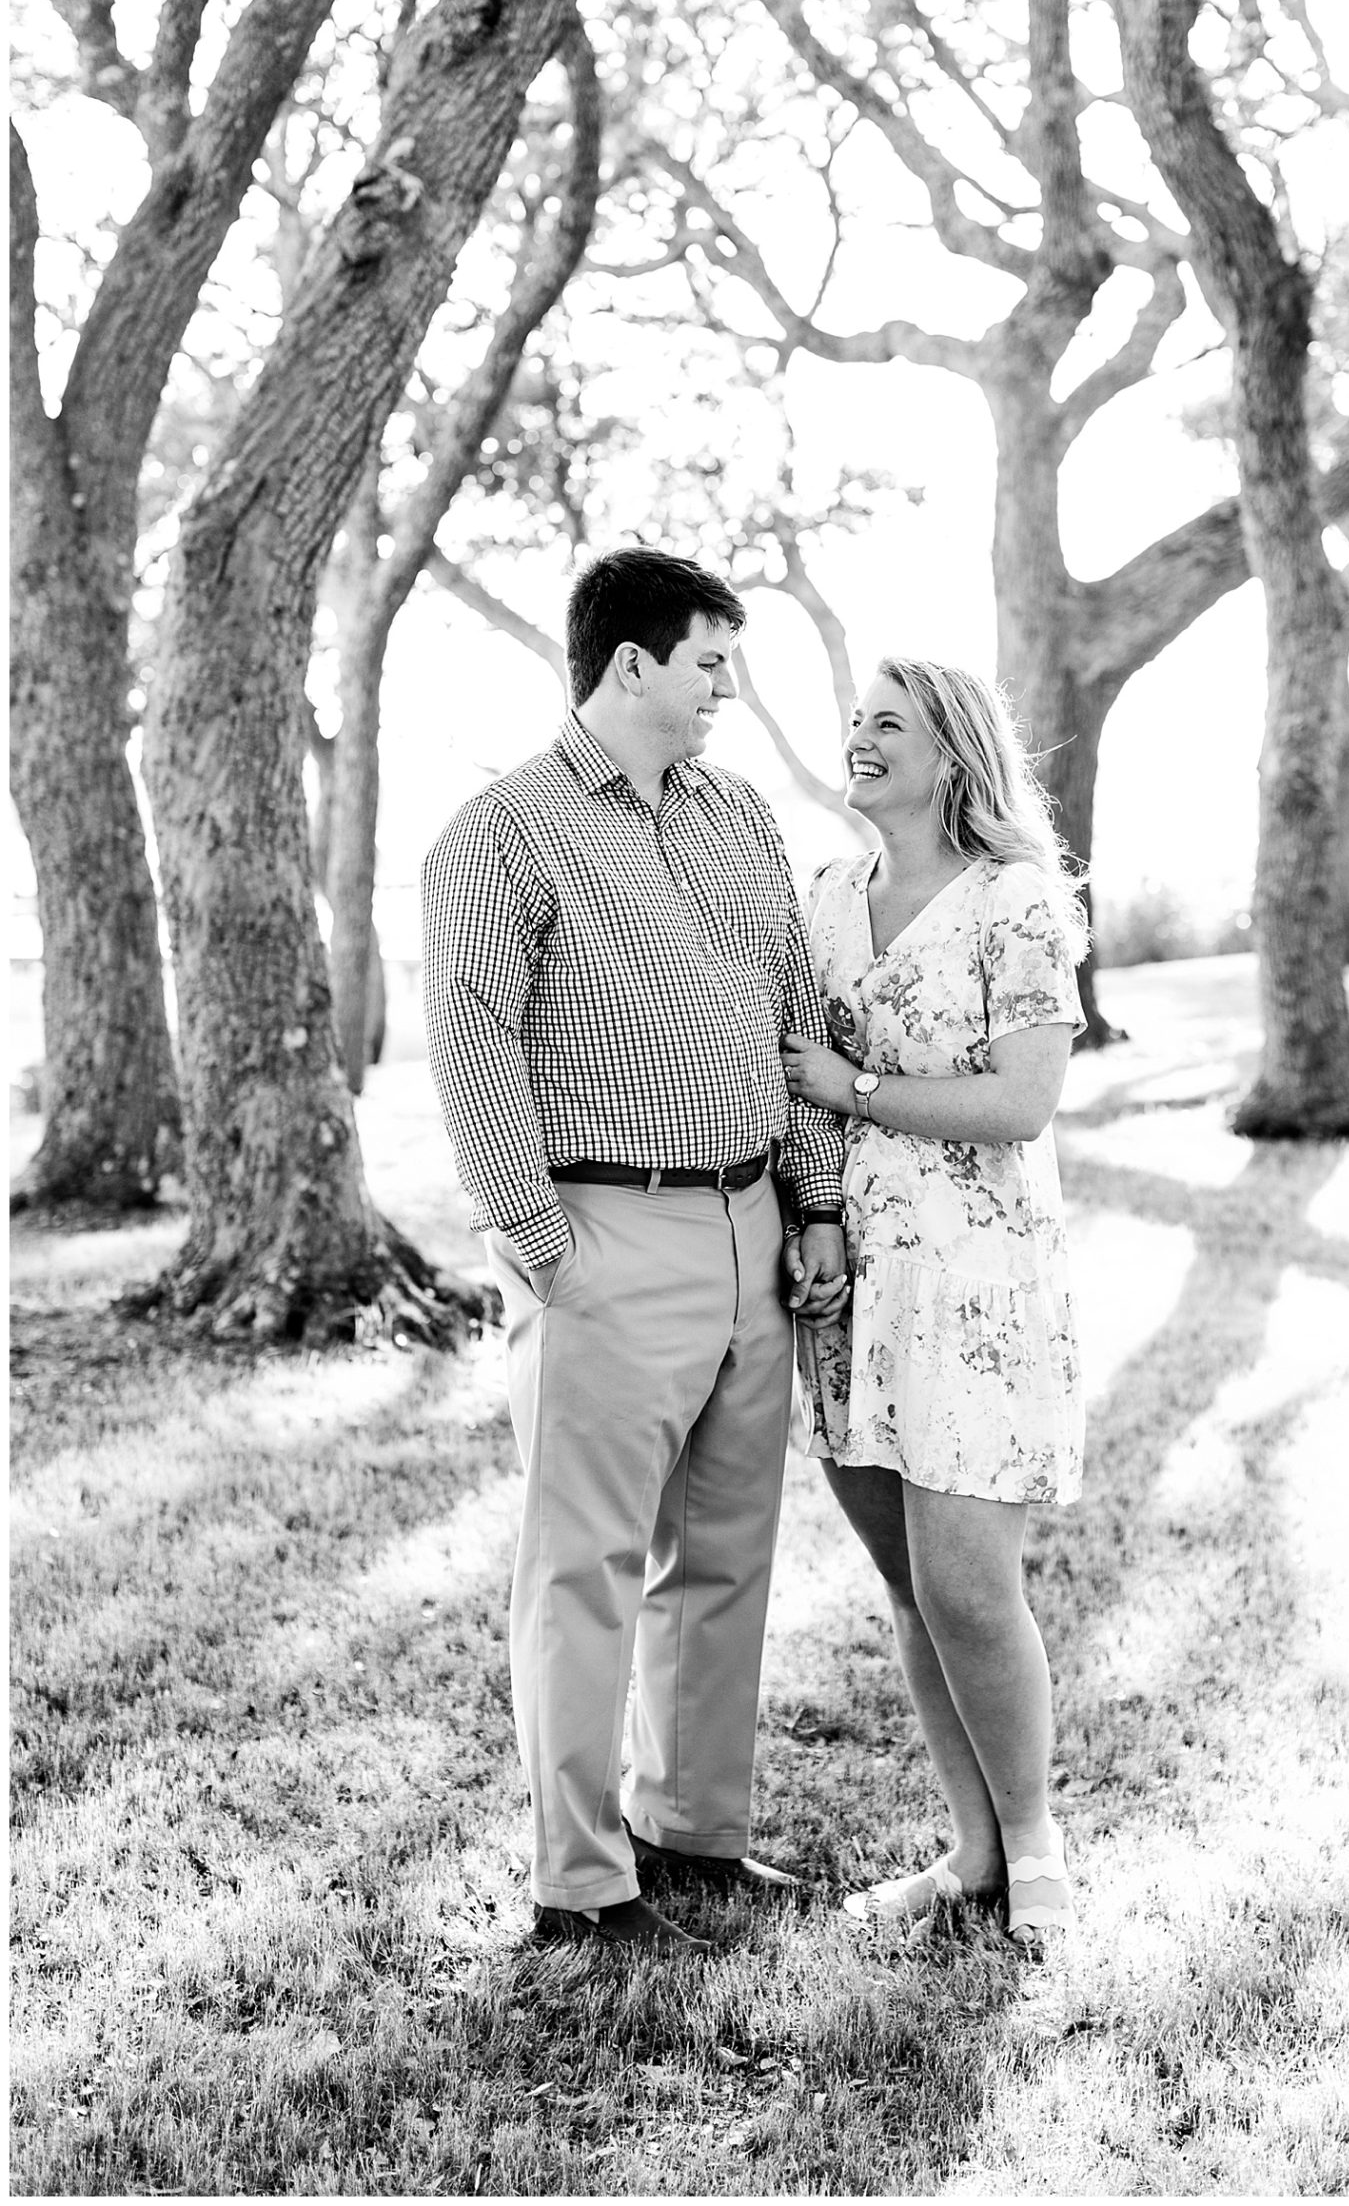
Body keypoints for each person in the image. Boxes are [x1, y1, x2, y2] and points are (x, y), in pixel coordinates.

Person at [422, 548, 848, 1956]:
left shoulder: (738, 818)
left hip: (748, 1231)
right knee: (585, 1566)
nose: (730, 690)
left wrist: (810, 1202)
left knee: (725, 1557)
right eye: (713, 663)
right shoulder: (499, 835)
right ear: (632, 666)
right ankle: (580, 1880)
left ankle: (695, 1838)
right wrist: (545, 1245)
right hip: (605, 1232)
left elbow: (791, 1014)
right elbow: (472, 1044)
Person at [780, 655, 1086, 1950]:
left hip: (974, 1283)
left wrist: (848, 1089)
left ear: (952, 753)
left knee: (970, 1585)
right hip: (850, 1288)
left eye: (888, 724)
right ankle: (968, 1853)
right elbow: (786, 1083)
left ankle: (1036, 1845)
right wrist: (812, 1219)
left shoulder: (1017, 903)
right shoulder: (823, 900)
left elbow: (1018, 1104)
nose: (859, 738)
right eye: (855, 720)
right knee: (909, 1588)